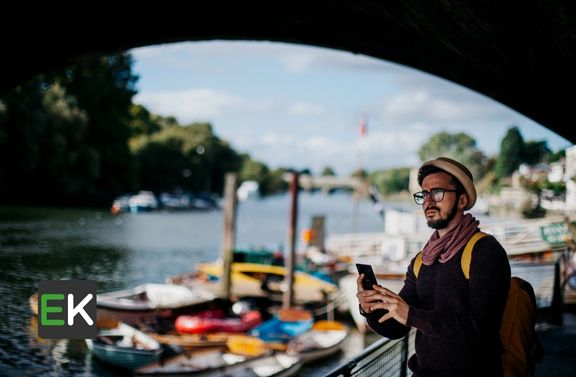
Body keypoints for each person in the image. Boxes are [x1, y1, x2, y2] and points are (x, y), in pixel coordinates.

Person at [357, 157, 511, 377]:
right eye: (423, 194)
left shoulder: (485, 251)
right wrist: (370, 309)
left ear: (461, 200)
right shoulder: (423, 260)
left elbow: (480, 328)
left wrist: (412, 315)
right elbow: (397, 328)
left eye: (437, 192)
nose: (428, 201)